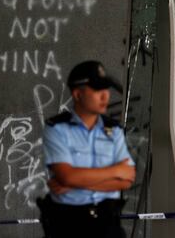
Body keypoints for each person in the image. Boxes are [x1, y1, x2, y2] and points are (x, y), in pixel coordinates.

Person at [38, 60, 136, 238]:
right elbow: (67, 176)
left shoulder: (113, 130)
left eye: (106, 89)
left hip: (107, 222)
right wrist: (115, 170)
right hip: (68, 224)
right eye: (98, 90)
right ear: (77, 94)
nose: (105, 96)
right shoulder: (57, 129)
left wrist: (75, 184)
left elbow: (127, 180)